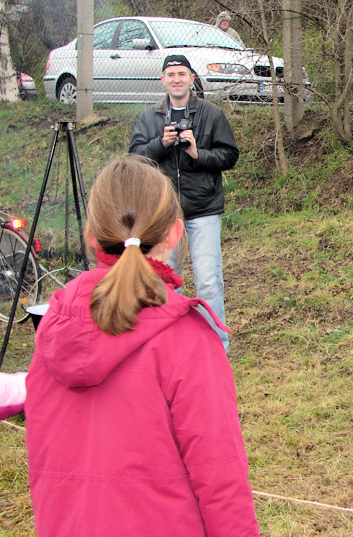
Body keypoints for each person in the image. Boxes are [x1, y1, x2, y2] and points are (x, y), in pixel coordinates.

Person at [24, 155, 259, 537]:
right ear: (175, 234)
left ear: (91, 236)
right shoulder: (188, 341)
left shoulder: (53, 332)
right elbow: (222, 484)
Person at [129, 54, 238, 352]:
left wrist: (197, 153)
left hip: (204, 208)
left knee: (208, 281)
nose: (176, 79)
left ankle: (217, 347)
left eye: (182, 74)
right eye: (171, 74)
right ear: (162, 80)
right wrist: (161, 144)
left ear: (191, 78)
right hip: (163, 210)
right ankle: (169, 345)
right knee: (165, 280)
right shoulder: (150, 117)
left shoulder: (211, 113)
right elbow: (135, 158)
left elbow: (230, 155)